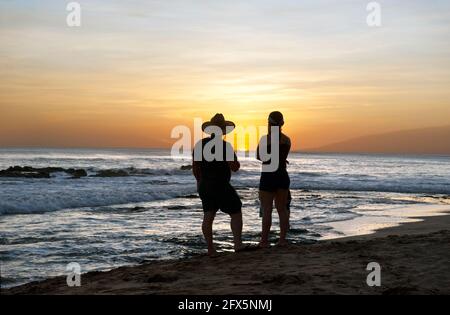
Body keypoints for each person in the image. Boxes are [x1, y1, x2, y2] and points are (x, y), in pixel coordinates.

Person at [192, 113, 246, 256]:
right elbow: (235, 167)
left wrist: (199, 183)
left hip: (205, 185)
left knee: (208, 215)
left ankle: (211, 249)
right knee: (236, 211)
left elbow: (195, 168)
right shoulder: (225, 146)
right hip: (221, 184)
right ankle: (238, 244)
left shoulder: (200, 144)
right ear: (222, 130)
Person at [257, 111, 291, 248]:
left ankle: (264, 241)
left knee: (267, 210)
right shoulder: (287, 140)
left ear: (269, 123)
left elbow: (260, 156)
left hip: (268, 175)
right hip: (282, 174)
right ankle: (282, 239)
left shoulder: (265, 139)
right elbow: (282, 157)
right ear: (282, 123)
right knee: (282, 209)